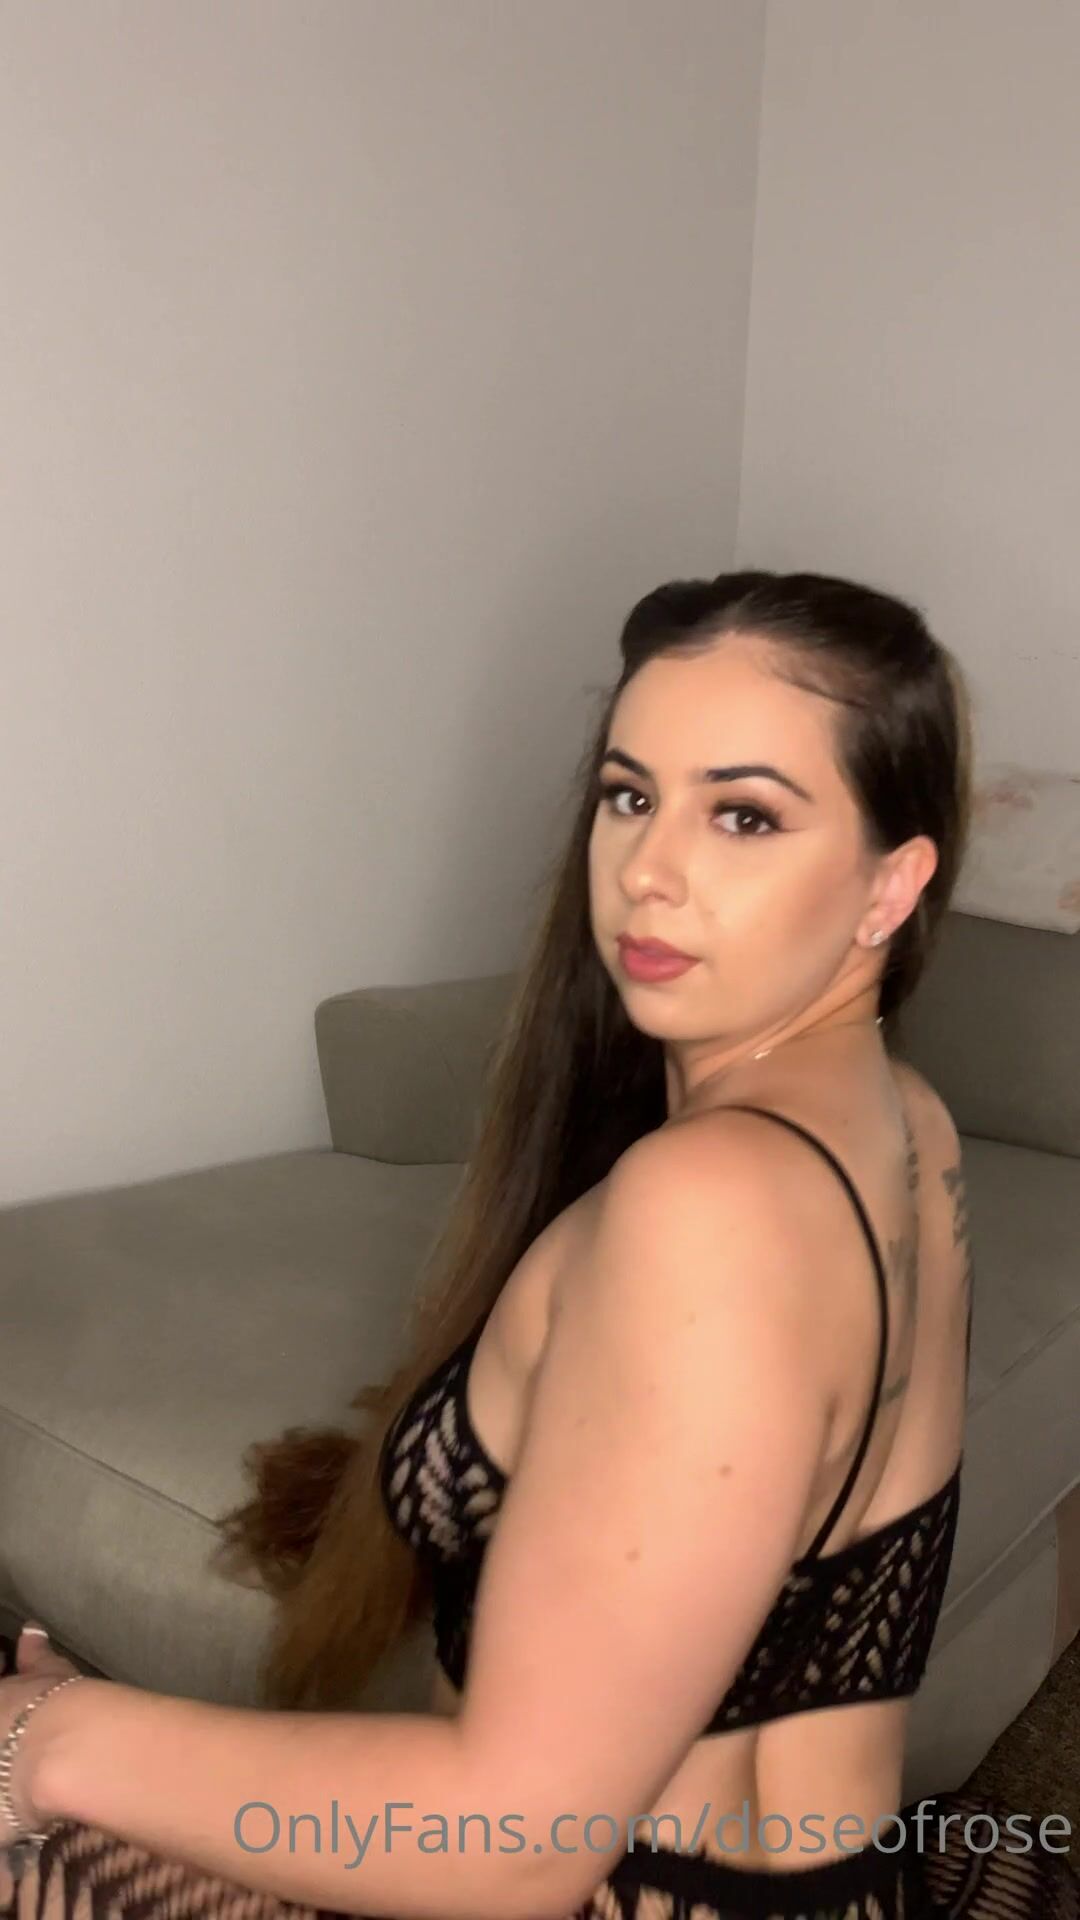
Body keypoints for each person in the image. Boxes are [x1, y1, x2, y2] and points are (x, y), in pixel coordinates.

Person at [2, 570, 1077, 1920]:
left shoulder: (707, 1206)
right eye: (630, 796)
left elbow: (513, 1843)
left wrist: (43, 1740)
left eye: (744, 815)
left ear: (890, 885)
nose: (648, 872)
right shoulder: (909, 1122)